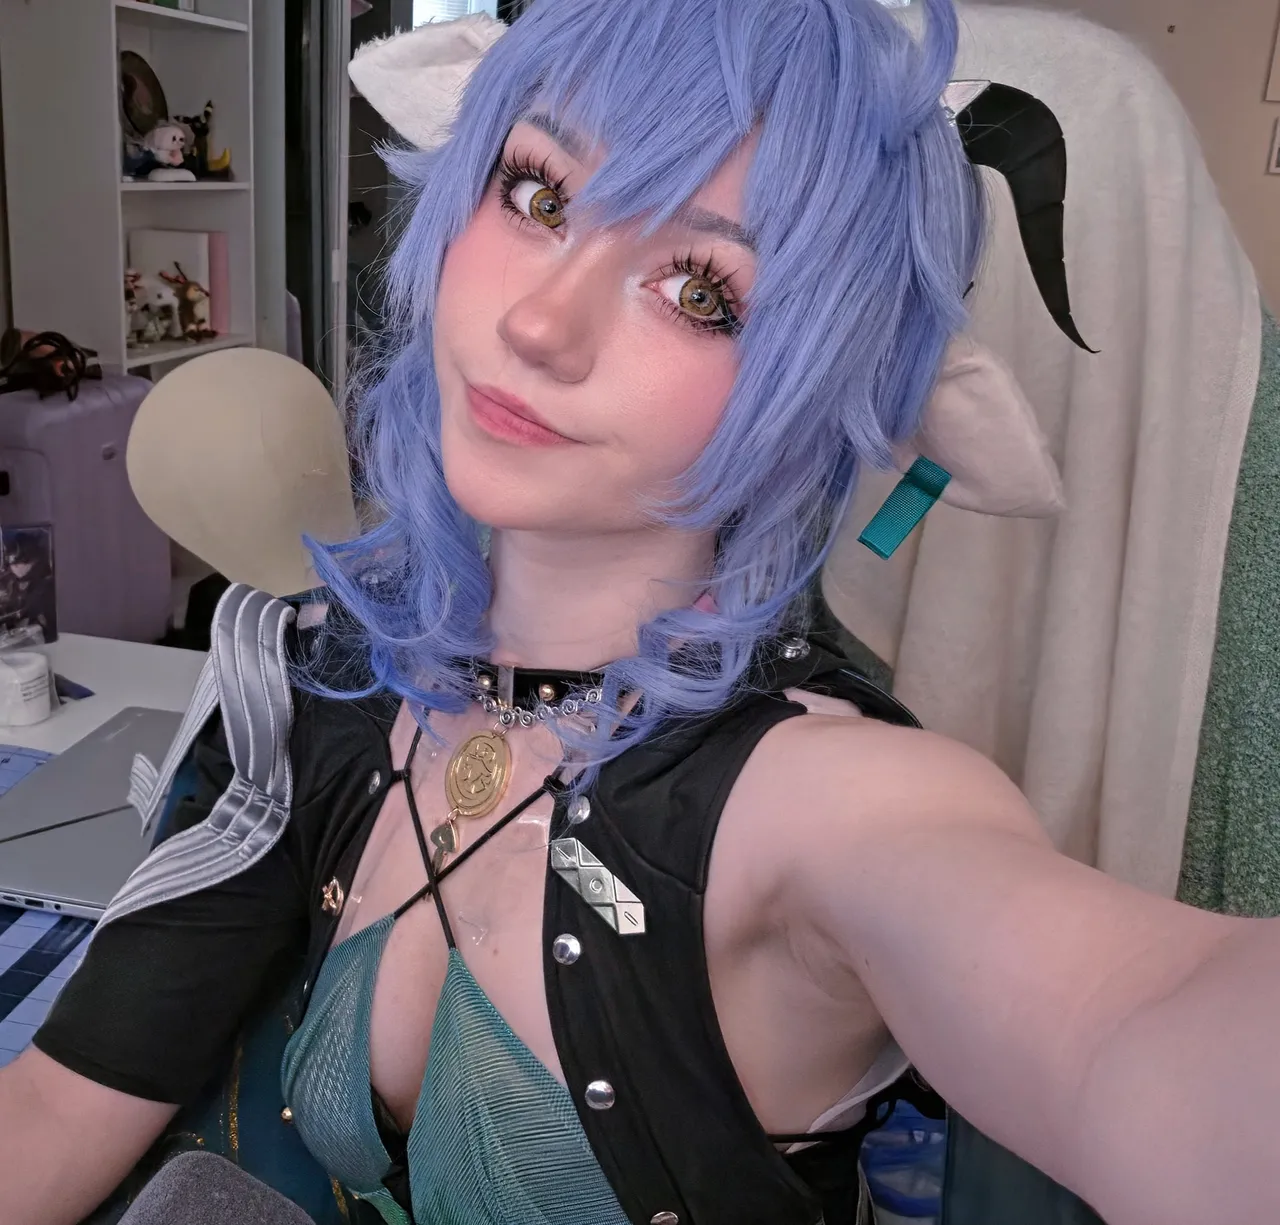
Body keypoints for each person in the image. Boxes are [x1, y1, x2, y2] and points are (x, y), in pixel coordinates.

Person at [1, 1, 1276, 1223]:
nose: (538, 322)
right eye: (537, 195)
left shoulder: (827, 804)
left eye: (698, 290)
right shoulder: (324, 682)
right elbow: (59, 1107)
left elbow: (1137, 1021)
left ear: (816, 376)